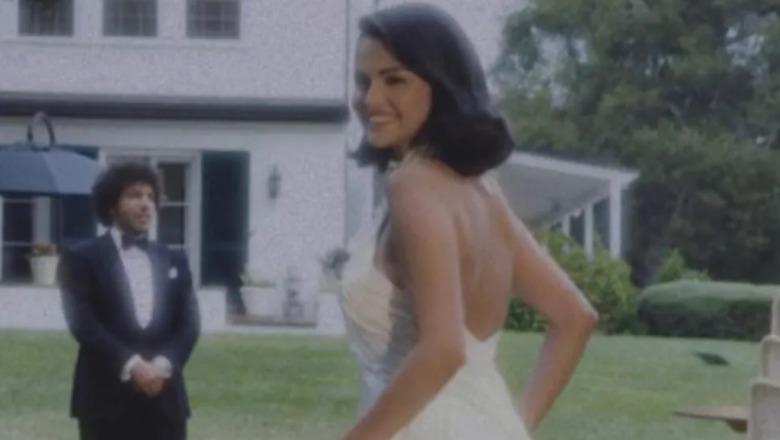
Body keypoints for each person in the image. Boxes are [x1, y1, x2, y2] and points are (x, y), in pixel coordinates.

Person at [339, 3, 598, 439]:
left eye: (394, 80)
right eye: (363, 82)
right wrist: (514, 426)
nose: (371, 99)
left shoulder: (413, 185)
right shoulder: (482, 193)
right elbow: (574, 316)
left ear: (441, 85)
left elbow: (443, 350)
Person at [58, 162, 200, 440]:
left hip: (165, 397)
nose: (146, 204)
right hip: (105, 399)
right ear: (112, 205)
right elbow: (82, 322)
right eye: (135, 195)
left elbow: (189, 323)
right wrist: (133, 366)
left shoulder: (174, 258)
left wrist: (161, 366)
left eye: (150, 197)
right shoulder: (82, 257)